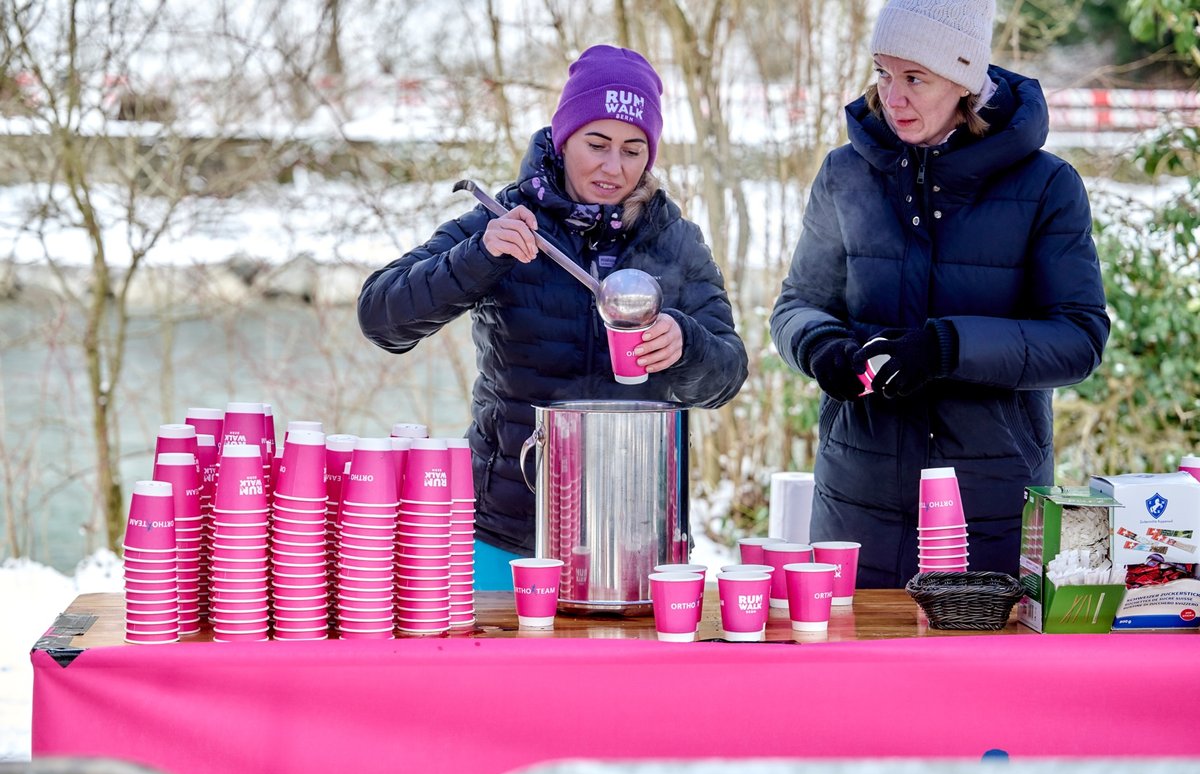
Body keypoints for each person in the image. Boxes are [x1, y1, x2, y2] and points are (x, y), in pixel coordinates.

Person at [359, 45, 748, 589]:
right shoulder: (505, 220)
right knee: (500, 674)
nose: (614, 168)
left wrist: (687, 345)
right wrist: (477, 258)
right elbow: (380, 317)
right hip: (506, 528)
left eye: (634, 150)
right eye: (597, 144)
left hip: (633, 533)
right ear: (564, 138)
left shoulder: (674, 240)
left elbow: (728, 374)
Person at [770, 0, 1110, 587]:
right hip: (856, 502)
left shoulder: (1047, 185)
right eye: (882, 72)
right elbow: (798, 305)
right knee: (850, 673)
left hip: (992, 506)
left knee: (980, 677)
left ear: (965, 83)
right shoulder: (844, 174)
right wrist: (823, 349)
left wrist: (947, 348)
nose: (891, 96)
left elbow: (1078, 339)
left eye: (915, 78)